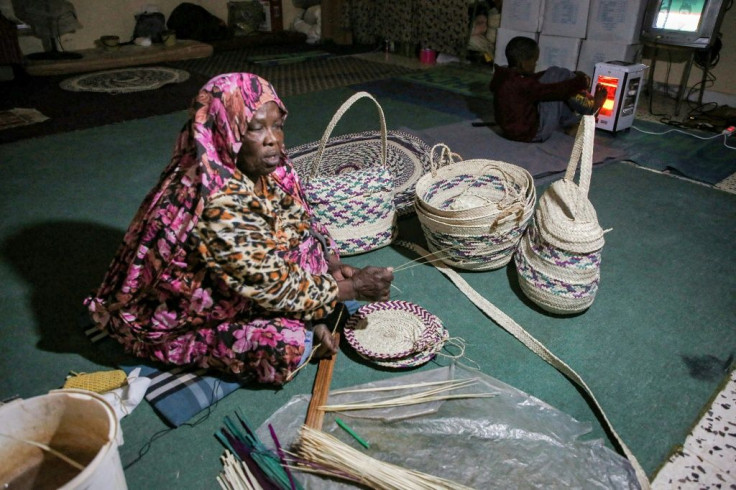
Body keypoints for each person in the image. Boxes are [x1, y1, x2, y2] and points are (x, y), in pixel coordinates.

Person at [85, 73, 394, 386]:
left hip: (246, 275)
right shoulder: (214, 200)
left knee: (311, 253)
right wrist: (351, 290)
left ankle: (302, 308)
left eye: (277, 125)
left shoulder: (269, 165)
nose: (273, 138)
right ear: (226, 130)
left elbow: (303, 222)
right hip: (185, 307)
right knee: (282, 347)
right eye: (255, 127)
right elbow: (272, 285)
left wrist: (330, 263)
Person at [489, 36, 607, 142]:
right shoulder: (521, 85)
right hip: (533, 133)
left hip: (511, 131)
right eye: (534, 61)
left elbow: (532, 83)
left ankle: (572, 123)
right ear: (523, 64)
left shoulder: (503, 75)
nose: (535, 65)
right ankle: (591, 111)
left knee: (554, 78)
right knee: (558, 76)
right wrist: (582, 81)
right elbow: (556, 90)